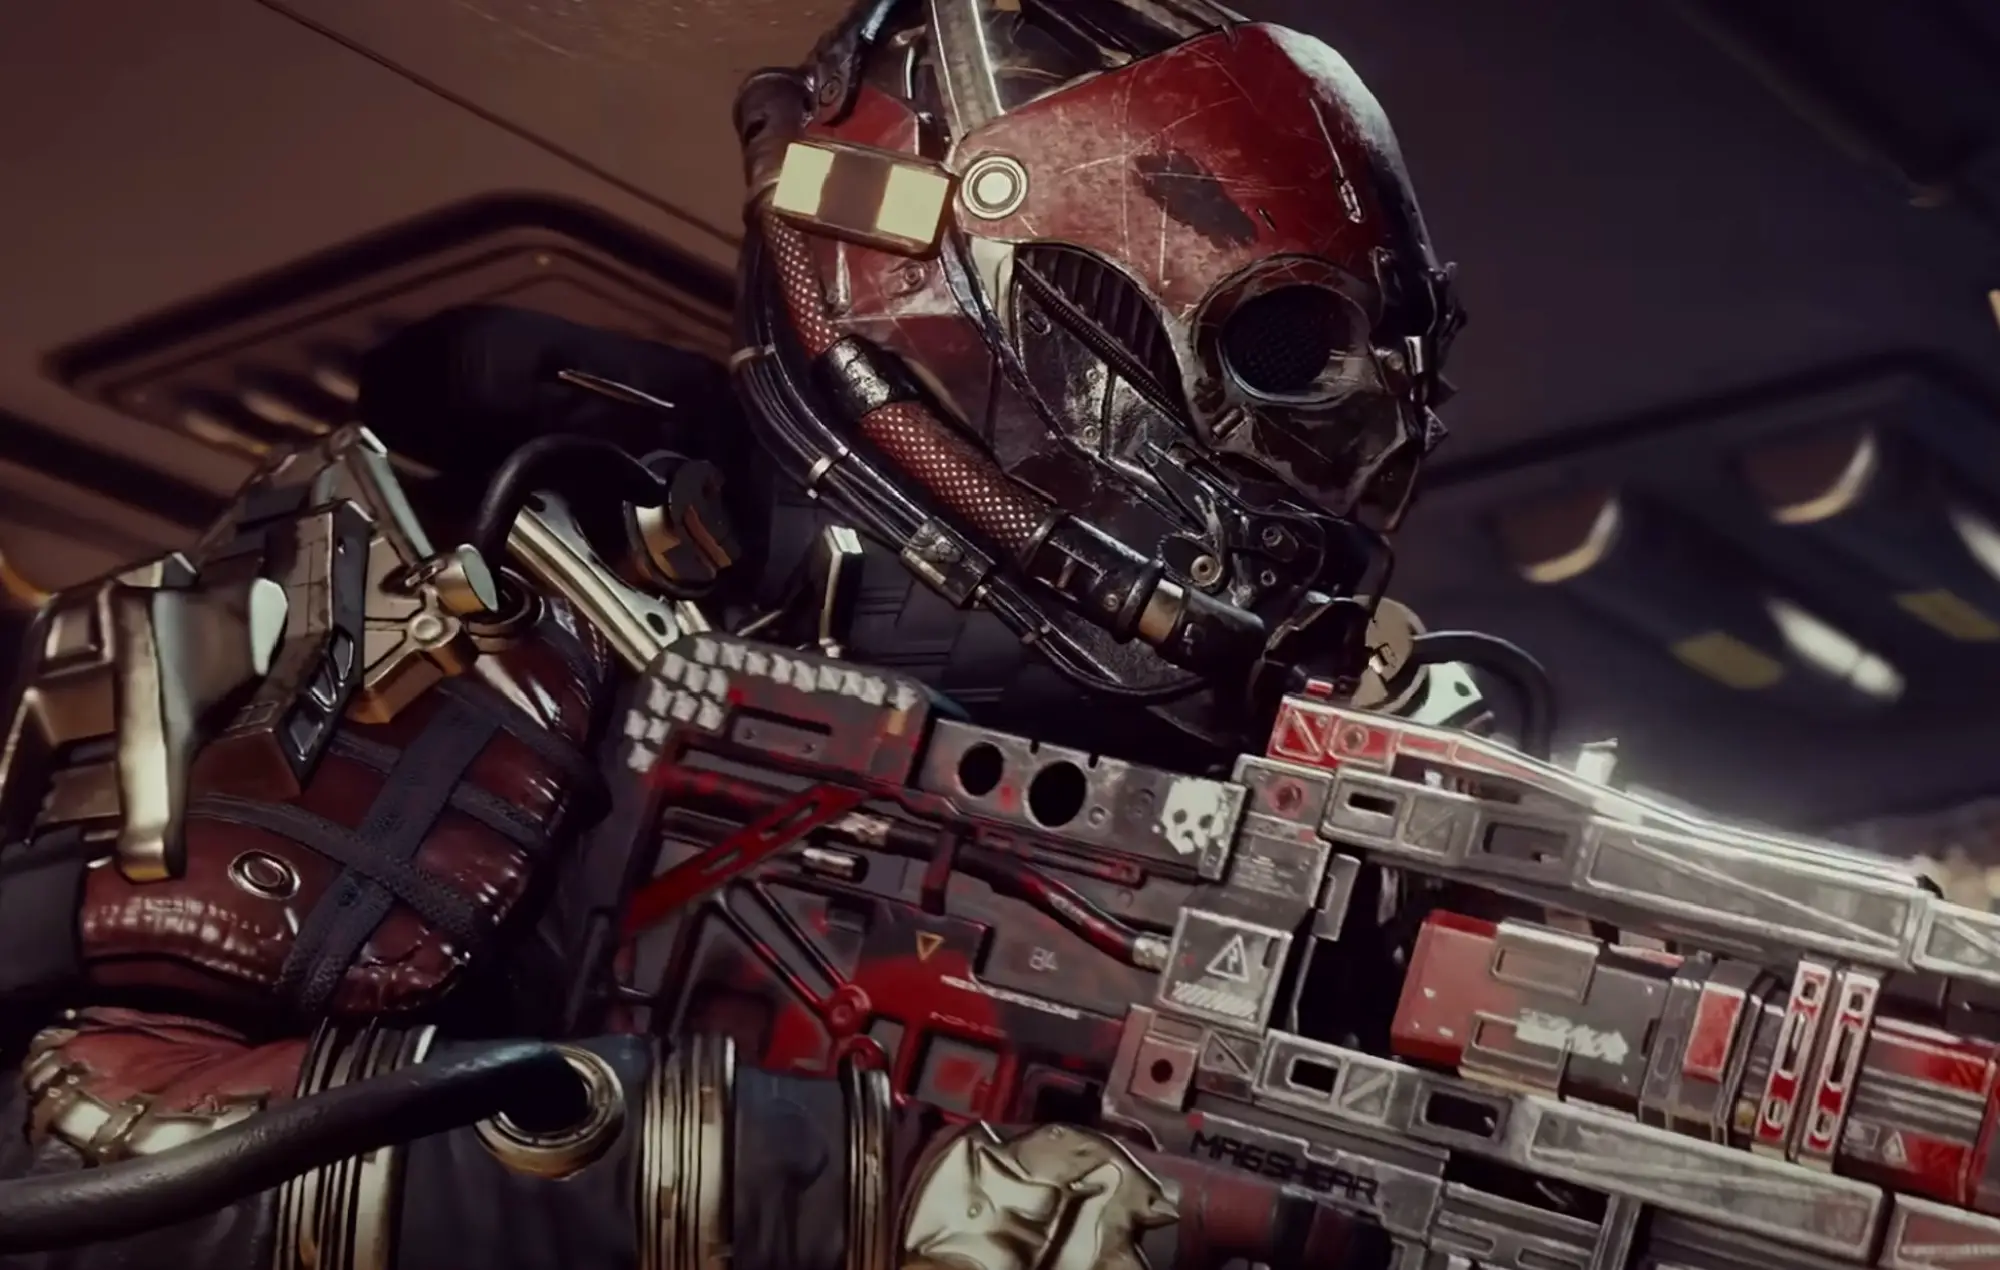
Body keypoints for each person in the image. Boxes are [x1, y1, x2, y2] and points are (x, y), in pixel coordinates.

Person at [0, 1, 1463, 1265]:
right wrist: (843, 1196)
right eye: (1284, 349)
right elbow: (89, 1136)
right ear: (953, 280)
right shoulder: (479, 590)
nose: (1353, 442)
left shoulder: (1330, 812)